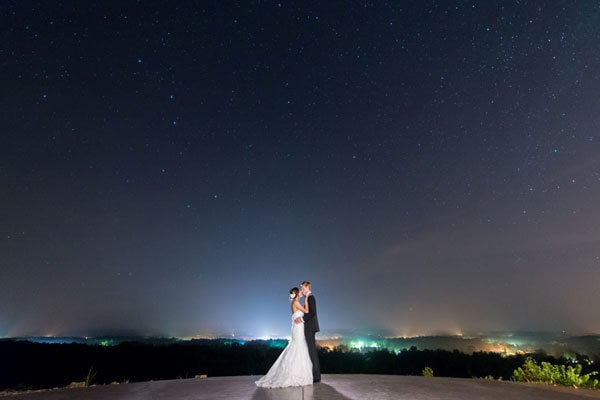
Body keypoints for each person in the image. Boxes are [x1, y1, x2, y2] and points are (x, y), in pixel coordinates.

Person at [255, 287, 313, 388]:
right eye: (299, 292)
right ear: (297, 294)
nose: (301, 292)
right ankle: (296, 374)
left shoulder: (295, 303)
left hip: (297, 328)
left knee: (298, 348)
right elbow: (307, 311)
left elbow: (300, 313)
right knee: (298, 347)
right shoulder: (295, 302)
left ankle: (298, 373)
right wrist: (307, 299)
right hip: (298, 329)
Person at [297, 281, 321, 383]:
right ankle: (315, 374)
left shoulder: (311, 297)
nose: (301, 289)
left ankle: (316, 376)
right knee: (311, 351)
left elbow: (312, 312)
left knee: (312, 351)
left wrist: (302, 319)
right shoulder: (309, 297)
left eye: (302, 287)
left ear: (307, 287)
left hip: (310, 327)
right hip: (310, 327)